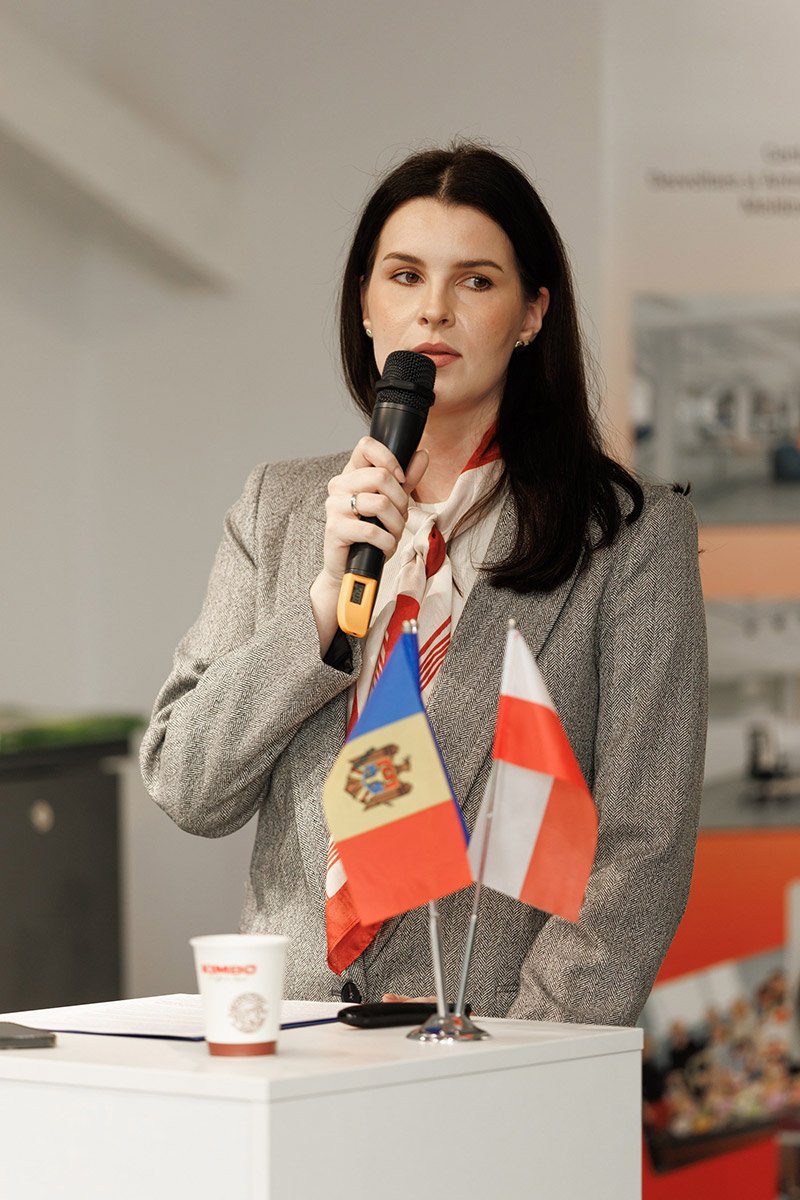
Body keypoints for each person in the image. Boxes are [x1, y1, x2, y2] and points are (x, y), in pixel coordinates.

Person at [140, 142, 707, 1025]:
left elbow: (644, 842)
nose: (434, 309)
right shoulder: (279, 508)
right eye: (405, 276)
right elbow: (188, 785)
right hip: (296, 1039)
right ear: (365, 305)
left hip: (499, 1046)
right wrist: (321, 610)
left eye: (476, 281)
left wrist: (526, 1054)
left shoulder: (628, 537)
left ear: (532, 314)